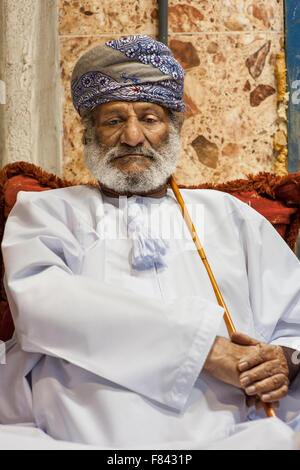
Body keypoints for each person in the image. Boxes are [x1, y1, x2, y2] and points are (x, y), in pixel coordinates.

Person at [0, 35, 299, 450]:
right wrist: (206, 351)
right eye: (113, 120)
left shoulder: (230, 216)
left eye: (150, 117)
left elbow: (294, 318)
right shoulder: (47, 212)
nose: (133, 136)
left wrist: (282, 360)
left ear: (174, 128)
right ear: (87, 135)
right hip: (75, 439)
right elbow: (43, 307)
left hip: (236, 437)